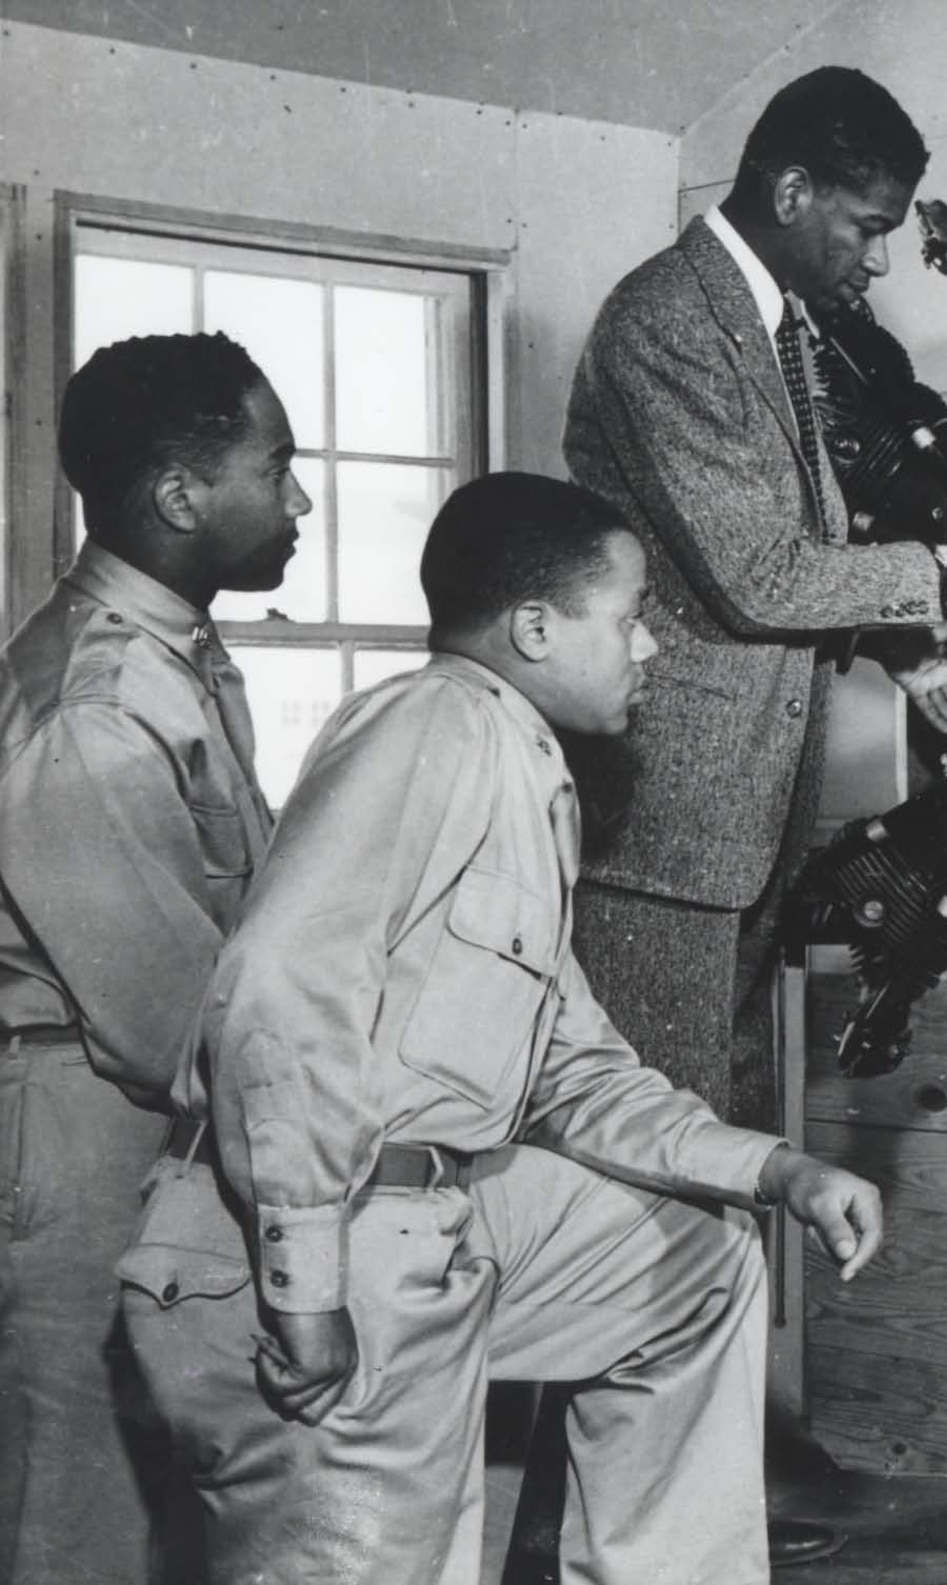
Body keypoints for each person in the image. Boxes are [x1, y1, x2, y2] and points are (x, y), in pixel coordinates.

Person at [118, 473, 886, 1585]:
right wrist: (304, 1282)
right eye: (628, 620)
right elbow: (281, 985)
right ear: (533, 628)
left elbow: (576, 1071)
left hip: (430, 1216)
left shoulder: (518, 764)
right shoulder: (430, 726)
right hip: (304, 1239)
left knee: (695, 1262)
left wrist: (779, 1172)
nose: (649, 651)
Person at [562, 64, 947, 1563]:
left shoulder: (778, 328)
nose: (878, 254)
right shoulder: (665, 323)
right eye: (865, 223)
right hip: (671, 832)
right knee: (648, 1172)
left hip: (746, 819)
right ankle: (639, 1525)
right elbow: (759, 576)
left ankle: (722, 1489)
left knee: (710, 1151)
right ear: (788, 195)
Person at [0, 332, 303, 1583]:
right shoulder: (97, 704)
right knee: (79, 1529)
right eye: (274, 466)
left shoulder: (173, 660)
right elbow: (174, 1011)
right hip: (92, 1134)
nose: (297, 498)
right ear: (181, 498)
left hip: (154, 1126)